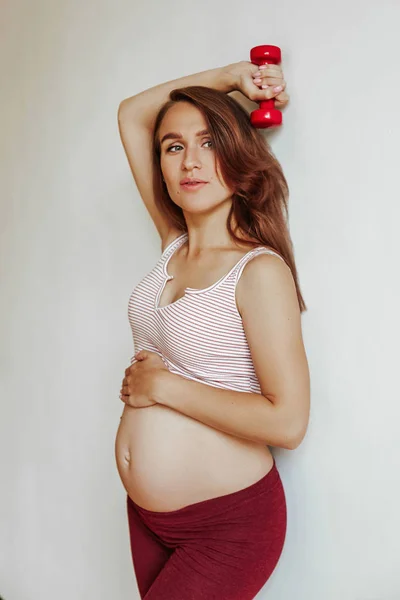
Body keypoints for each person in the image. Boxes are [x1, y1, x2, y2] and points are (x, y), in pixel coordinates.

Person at [115, 60, 310, 599]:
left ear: (238, 155)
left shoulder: (258, 271)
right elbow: (133, 115)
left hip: (229, 527)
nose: (190, 162)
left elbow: (289, 421)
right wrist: (231, 77)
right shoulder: (172, 244)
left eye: (209, 142)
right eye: (174, 146)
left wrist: (164, 388)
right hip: (149, 517)